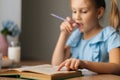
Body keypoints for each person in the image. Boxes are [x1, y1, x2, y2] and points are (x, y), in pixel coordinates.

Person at [51, 0, 120, 74]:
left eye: (84, 11)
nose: (77, 17)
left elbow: (117, 67)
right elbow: (56, 64)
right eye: (74, 11)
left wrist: (85, 64)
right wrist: (63, 34)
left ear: (99, 12)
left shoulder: (110, 35)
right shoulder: (76, 36)